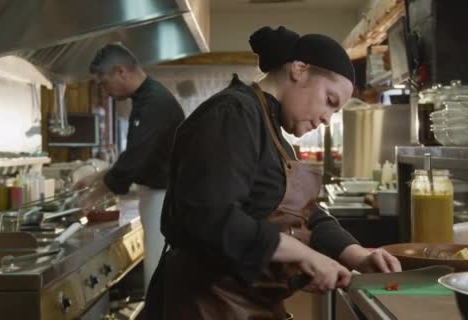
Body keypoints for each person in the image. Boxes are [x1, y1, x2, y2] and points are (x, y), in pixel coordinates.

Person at [144, 26, 401, 320]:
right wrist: (302, 254)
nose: (327, 119)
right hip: (205, 305)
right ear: (299, 69)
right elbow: (209, 216)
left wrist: (357, 255)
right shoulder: (233, 113)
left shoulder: (273, 131)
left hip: (247, 303)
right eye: (329, 101)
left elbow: (309, 215)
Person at [74, 43, 185, 291]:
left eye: (104, 83)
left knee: (159, 281)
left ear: (121, 71)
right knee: (158, 277)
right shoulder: (146, 98)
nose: (104, 91)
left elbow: (134, 159)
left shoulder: (154, 102)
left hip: (164, 200)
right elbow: (137, 157)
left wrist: (91, 198)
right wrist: (97, 177)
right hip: (158, 198)